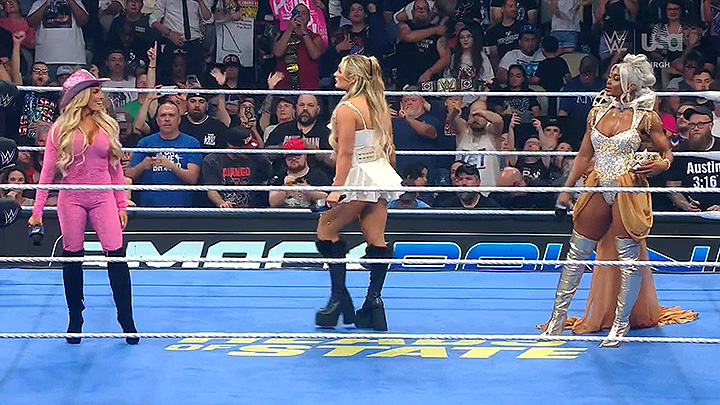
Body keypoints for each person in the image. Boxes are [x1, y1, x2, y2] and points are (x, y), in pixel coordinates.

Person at [543, 54, 695, 347]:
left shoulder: (646, 117)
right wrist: (566, 189)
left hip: (629, 187)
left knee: (628, 259)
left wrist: (661, 164)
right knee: (577, 253)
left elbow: (667, 152)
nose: (608, 82)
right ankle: (557, 319)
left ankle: (619, 324)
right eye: (610, 77)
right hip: (597, 183)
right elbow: (584, 155)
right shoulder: (597, 112)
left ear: (630, 84)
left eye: (615, 78)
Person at [27, 69, 138, 345]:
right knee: (73, 256)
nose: (101, 96)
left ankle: (127, 320)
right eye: (96, 91)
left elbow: (115, 169)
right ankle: (75, 318)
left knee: (116, 254)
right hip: (72, 197)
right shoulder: (60, 129)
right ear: (82, 95)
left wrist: (121, 203)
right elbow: (47, 172)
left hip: (103, 196)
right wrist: (37, 211)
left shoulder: (108, 125)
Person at [315, 54, 402, 331]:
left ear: (352, 78)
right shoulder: (380, 106)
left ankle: (338, 299)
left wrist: (337, 189)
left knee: (326, 227)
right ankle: (373, 304)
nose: (335, 74)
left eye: (340, 71)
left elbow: (345, 153)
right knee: (375, 237)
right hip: (380, 171)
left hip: (360, 174)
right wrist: (389, 179)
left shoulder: (347, 109)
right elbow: (390, 148)